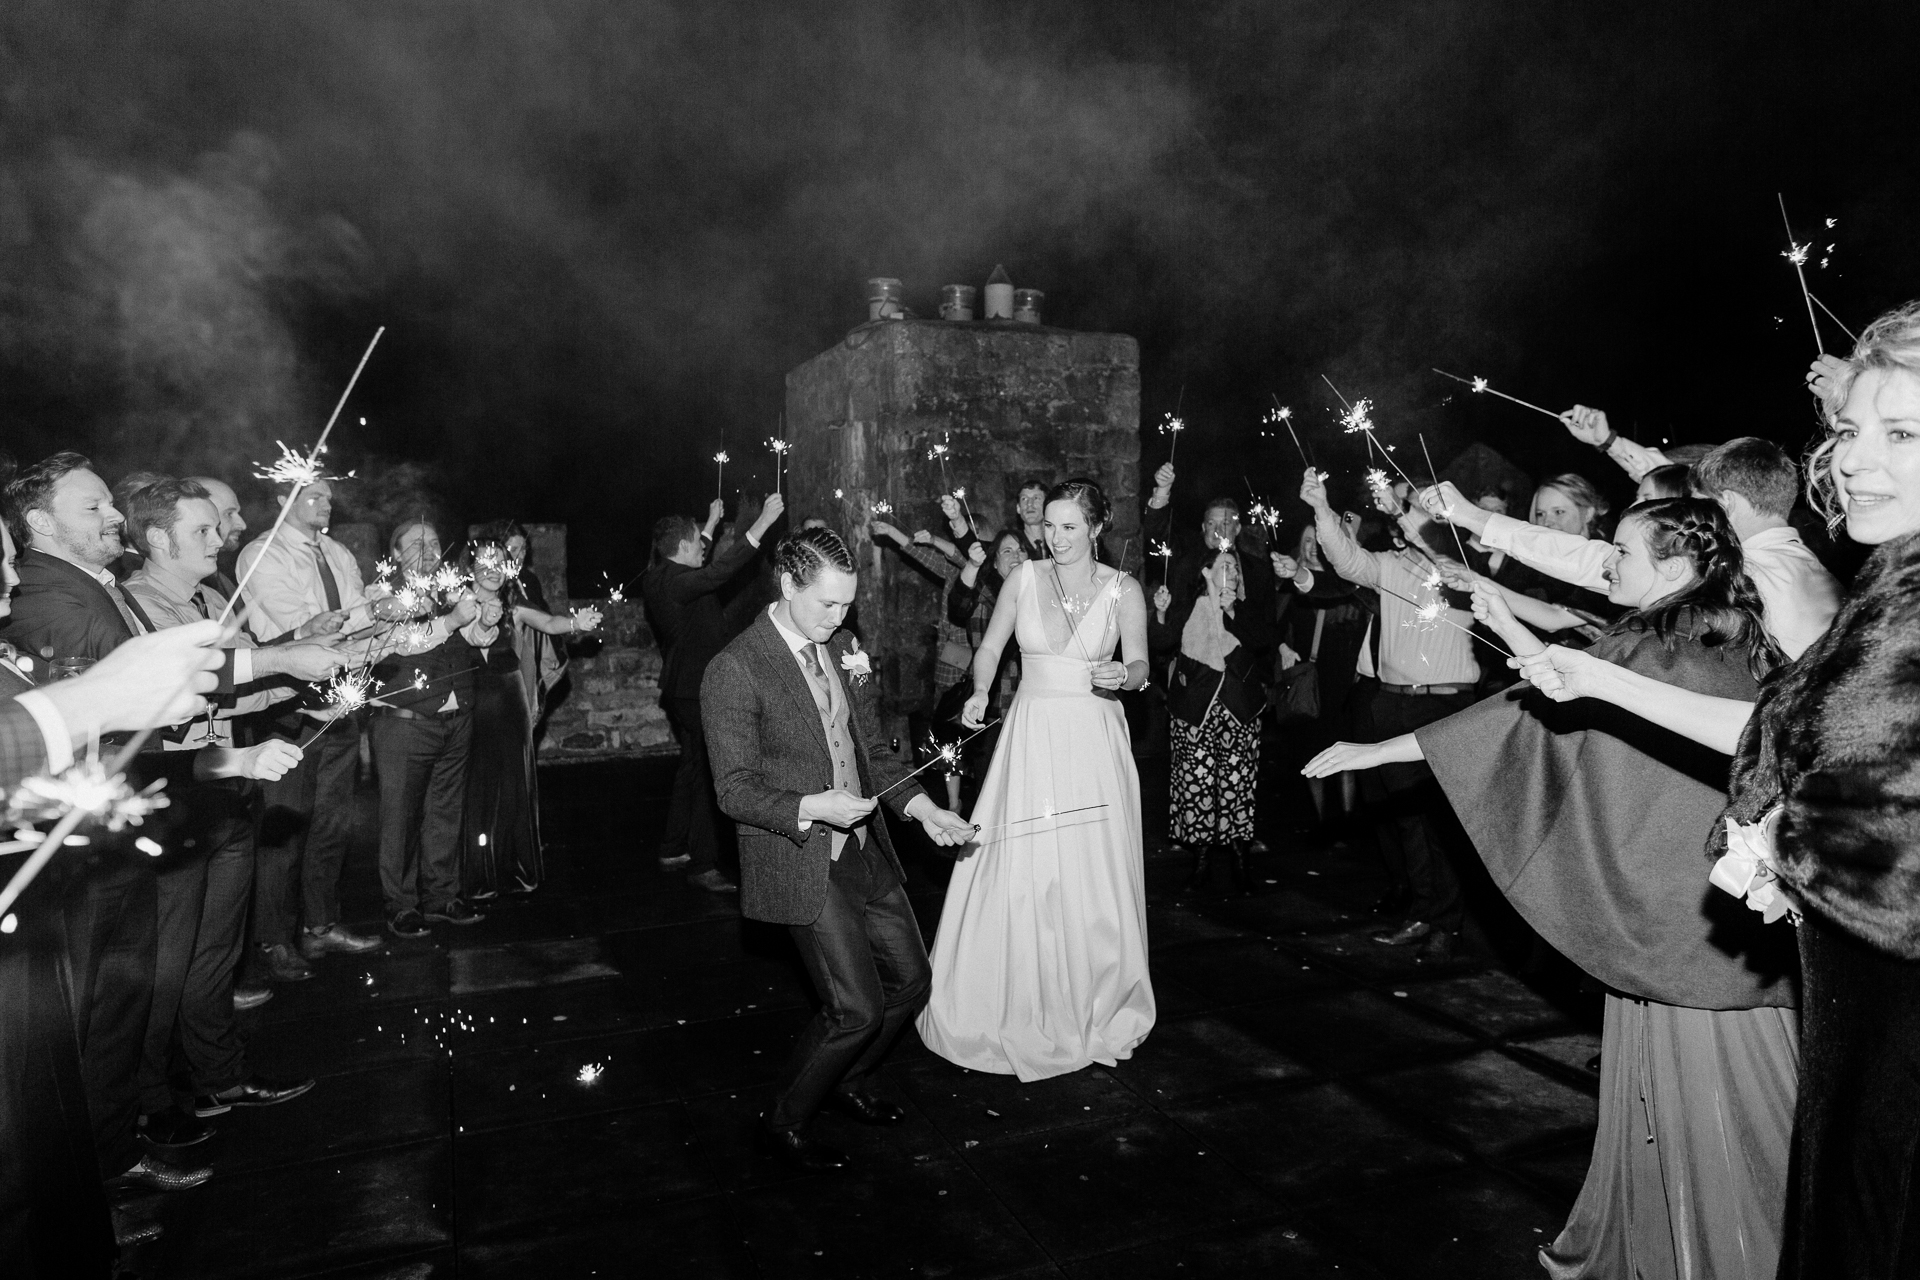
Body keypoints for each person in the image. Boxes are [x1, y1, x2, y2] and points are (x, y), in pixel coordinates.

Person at [1516, 308, 1920, 1277]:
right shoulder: (1894, 579)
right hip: (1858, 1022)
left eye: (1899, 432)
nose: (1857, 459)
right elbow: (1795, 736)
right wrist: (1601, 680)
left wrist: (1793, 843)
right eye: (1851, 429)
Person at [1308, 497, 1797, 1278]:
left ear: (1673, 567)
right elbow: (1573, 683)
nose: (1608, 565)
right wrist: (1502, 620)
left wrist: (1385, 751)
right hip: (1720, 917)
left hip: (1678, 930)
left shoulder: (1661, 638)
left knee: (1716, 1113)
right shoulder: (1722, 628)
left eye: (1622, 556)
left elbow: (1531, 715)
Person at [1, 453, 341, 1194]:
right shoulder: (50, 599)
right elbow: (133, 713)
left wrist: (284, 667)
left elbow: (174, 701)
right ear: (37, 524)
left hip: (158, 811)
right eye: (92, 508)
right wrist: (269, 686)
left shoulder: (99, 590)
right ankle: (106, 1169)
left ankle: (133, 1140)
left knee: (153, 990)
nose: (111, 517)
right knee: (113, 1011)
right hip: (100, 843)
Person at [701, 527, 975, 1173]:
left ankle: (847, 1080)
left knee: (912, 981)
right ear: (787, 583)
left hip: (863, 847)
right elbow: (734, 790)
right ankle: (785, 1120)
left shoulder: (844, 647)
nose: (839, 618)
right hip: (799, 855)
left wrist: (926, 808)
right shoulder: (734, 669)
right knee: (856, 1005)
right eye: (826, 603)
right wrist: (810, 806)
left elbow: (874, 754)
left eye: (847, 604)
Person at [918, 478, 1156, 1080]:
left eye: (1070, 526)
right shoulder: (1023, 579)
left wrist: (1121, 675)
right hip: (1030, 735)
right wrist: (977, 691)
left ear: (1097, 528)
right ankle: (1014, 993)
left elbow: (1142, 665)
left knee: (1089, 867)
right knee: (1022, 862)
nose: (1057, 537)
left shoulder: (1123, 588)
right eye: (1050, 526)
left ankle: (1096, 996)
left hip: (1093, 738)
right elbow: (992, 647)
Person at [120, 479, 317, 1139]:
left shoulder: (207, 598)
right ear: (155, 538)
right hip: (175, 811)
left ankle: (219, 1078)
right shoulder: (133, 610)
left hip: (228, 800)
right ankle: (152, 1104)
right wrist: (285, 663)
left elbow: (235, 694)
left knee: (214, 956)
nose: (221, 538)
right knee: (165, 968)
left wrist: (306, 669)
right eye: (203, 530)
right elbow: (156, 722)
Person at [1426, 434, 1842, 660]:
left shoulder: (1739, 572)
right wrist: (1609, 443)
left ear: (1726, 504)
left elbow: (1589, 560)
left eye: (1693, 504)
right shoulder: (1808, 570)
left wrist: (1473, 517)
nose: (1683, 516)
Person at [1298, 465, 1478, 957]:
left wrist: (1412, 516)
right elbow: (1348, 561)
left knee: (1441, 821)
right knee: (1408, 821)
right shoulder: (1391, 566)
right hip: (1392, 703)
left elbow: (1450, 554)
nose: (1402, 516)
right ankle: (1423, 913)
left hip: (1446, 705)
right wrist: (1321, 508)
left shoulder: (1460, 566)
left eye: (1416, 508)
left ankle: (1451, 923)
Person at [236, 475, 382, 980]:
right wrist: (364, 616)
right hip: (288, 709)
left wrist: (380, 610)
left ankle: (321, 926)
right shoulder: (263, 554)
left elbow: (362, 616)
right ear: (283, 501)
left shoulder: (338, 553)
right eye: (313, 496)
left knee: (332, 825)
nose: (327, 503)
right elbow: (303, 626)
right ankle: (273, 939)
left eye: (327, 496)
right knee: (283, 827)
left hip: (340, 706)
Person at [641, 492, 786, 892]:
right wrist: (761, 525)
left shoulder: (661, 572)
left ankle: (672, 846)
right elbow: (718, 571)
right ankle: (703, 863)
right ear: (684, 547)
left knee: (690, 764)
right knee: (708, 771)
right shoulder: (677, 582)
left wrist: (707, 523)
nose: (702, 548)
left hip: (680, 686)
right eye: (697, 542)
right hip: (693, 687)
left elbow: (697, 556)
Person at [459, 537, 599, 898]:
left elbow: (550, 623)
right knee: (478, 784)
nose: (493, 569)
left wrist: (576, 622)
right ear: (471, 564)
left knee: (515, 780)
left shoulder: (515, 608)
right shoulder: (455, 605)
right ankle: (478, 872)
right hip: (472, 701)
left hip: (509, 699)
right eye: (486, 561)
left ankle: (518, 867)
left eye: (500, 562)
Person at [368, 519, 484, 936]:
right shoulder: (381, 594)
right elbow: (402, 644)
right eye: (416, 544)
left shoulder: (453, 587)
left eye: (435, 542)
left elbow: (479, 639)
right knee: (399, 817)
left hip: (457, 718)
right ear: (396, 554)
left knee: (445, 813)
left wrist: (484, 619)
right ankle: (400, 904)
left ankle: (442, 896)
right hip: (405, 722)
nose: (430, 549)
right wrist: (453, 620)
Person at [1152, 545, 1269, 893]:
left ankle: (1240, 863)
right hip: (1194, 710)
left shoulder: (1245, 609)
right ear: (1205, 572)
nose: (1231, 572)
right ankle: (1200, 862)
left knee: (1237, 788)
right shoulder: (1188, 606)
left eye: (1235, 567)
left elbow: (1263, 641)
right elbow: (1162, 642)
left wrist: (1230, 610)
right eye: (1224, 566)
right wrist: (1159, 614)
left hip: (1239, 708)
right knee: (1196, 787)